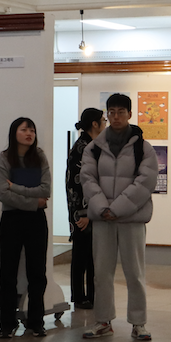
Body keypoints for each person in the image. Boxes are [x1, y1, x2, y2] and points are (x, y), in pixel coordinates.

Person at [79, 93, 159, 341]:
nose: (115, 117)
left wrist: (118, 208)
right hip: (103, 219)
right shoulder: (93, 148)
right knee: (101, 273)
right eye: (111, 112)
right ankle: (103, 321)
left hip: (131, 219)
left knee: (135, 273)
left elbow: (145, 182)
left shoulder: (143, 148)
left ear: (130, 114)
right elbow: (87, 179)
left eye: (121, 112)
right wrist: (103, 208)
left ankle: (139, 323)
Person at [0, 117, 52, 338]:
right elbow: (3, 194)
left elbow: (45, 190)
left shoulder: (40, 156)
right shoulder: (4, 158)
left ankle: (36, 322)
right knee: (8, 273)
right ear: (14, 133)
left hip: (36, 220)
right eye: (24, 129)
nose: (29, 134)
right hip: (12, 220)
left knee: (37, 273)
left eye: (32, 130)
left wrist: (17, 188)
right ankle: (6, 324)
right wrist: (34, 201)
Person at [66, 108, 105, 310]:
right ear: (95, 124)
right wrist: (84, 213)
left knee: (91, 256)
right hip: (82, 213)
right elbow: (78, 185)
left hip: (91, 211)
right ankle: (80, 296)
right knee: (82, 255)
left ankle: (91, 295)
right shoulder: (83, 148)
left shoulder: (92, 145)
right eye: (103, 120)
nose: (106, 123)